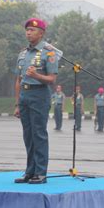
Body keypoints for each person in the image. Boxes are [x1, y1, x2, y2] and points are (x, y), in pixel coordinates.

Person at [13, 18, 61, 184]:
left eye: (32, 30)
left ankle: (40, 172)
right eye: (27, 30)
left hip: (40, 95)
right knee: (28, 135)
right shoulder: (23, 54)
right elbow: (19, 80)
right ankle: (29, 171)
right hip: (25, 97)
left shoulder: (49, 53)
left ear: (41, 33)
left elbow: (52, 79)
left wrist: (37, 76)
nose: (28, 32)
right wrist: (17, 104)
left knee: (39, 134)